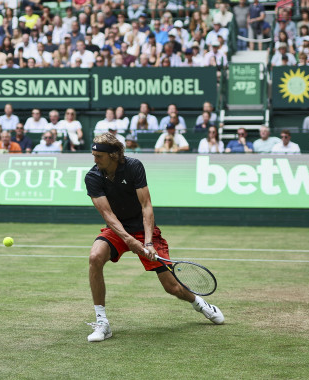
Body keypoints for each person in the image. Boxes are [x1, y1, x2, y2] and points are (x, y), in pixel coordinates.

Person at [84, 133, 224, 342]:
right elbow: (107, 214)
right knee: (95, 257)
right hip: (117, 229)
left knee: (172, 287)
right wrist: (129, 240)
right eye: (93, 155)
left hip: (143, 228)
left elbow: (146, 205)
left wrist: (147, 242)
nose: (94, 160)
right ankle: (102, 322)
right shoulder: (92, 176)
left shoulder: (134, 166)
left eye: (99, 156)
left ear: (113, 155)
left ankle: (199, 303)